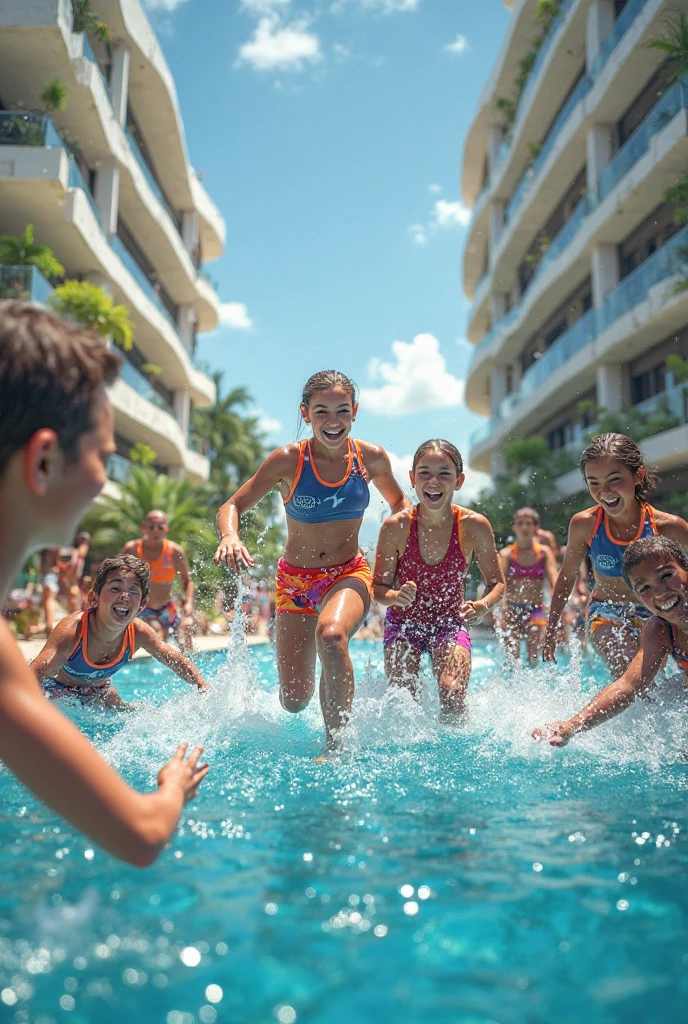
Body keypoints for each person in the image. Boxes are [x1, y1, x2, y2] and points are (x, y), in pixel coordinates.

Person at [0, 301, 208, 866]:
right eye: (102, 457)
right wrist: (173, 784)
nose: (103, 480)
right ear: (45, 461)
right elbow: (141, 832)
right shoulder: (36, 646)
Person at [214, 369, 410, 754]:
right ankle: (327, 694)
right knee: (294, 700)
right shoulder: (288, 461)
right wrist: (230, 535)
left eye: (341, 411)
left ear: (355, 411)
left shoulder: (371, 458)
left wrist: (395, 552)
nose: (332, 421)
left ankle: (336, 747)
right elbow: (232, 505)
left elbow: (401, 505)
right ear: (305, 414)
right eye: (321, 412)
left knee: (332, 637)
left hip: (349, 572)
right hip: (295, 581)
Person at [373, 440, 504, 715]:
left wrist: (483, 606)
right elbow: (378, 588)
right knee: (402, 704)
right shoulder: (395, 527)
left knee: (453, 695)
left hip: (449, 624)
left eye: (444, 473)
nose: (434, 481)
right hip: (403, 625)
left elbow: (497, 584)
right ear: (412, 479)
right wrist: (397, 596)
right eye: (424, 473)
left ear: (459, 480)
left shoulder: (474, 526)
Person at [542, 433, 688, 676]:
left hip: (660, 612)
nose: (604, 491)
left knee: (656, 683)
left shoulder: (667, 526)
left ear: (638, 476)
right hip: (606, 611)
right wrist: (552, 626)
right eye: (594, 483)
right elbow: (566, 577)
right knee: (629, 669)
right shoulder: (585, 524)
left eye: (614, 479)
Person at [533, 536, 688, 746]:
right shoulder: (659, 629)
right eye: (645, 589)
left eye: (667, 575)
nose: (660, 592)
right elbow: (628, 685)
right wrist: (572, 725)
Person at [32, 554, 208, 707]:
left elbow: (172, 658)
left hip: (98, 690)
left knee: (128, 714)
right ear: (94, 598)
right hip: (58, 689)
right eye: (115, 588)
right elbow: (36, 672)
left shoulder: (138, 632)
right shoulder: (73, 631)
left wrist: (201, 685)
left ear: (142, 605)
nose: (124, 595)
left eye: (133, 591)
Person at [122, 510, 195, 652]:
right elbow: (115, 575)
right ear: (143, 528)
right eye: (151, 527)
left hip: (166, 608)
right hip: (141, 609)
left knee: (187, 634)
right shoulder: (132, 550)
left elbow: (188, 581)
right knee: (154, 639)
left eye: (160, 527)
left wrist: (189, 603)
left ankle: (191, 666)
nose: (156, 530)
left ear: (166, 528)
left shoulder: (175, 552)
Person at [499, 507, 559, 666]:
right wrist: (499, 608)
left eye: (528, 523)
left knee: (534, 656)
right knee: (512, 659)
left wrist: (559, 609)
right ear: (514, 527)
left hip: (536, 609)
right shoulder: (507, 554)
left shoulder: (544, 553)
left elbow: (555, 581)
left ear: (536, 527)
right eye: (520, 523)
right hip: (512, 609)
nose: (524, 527)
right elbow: (499, 583)